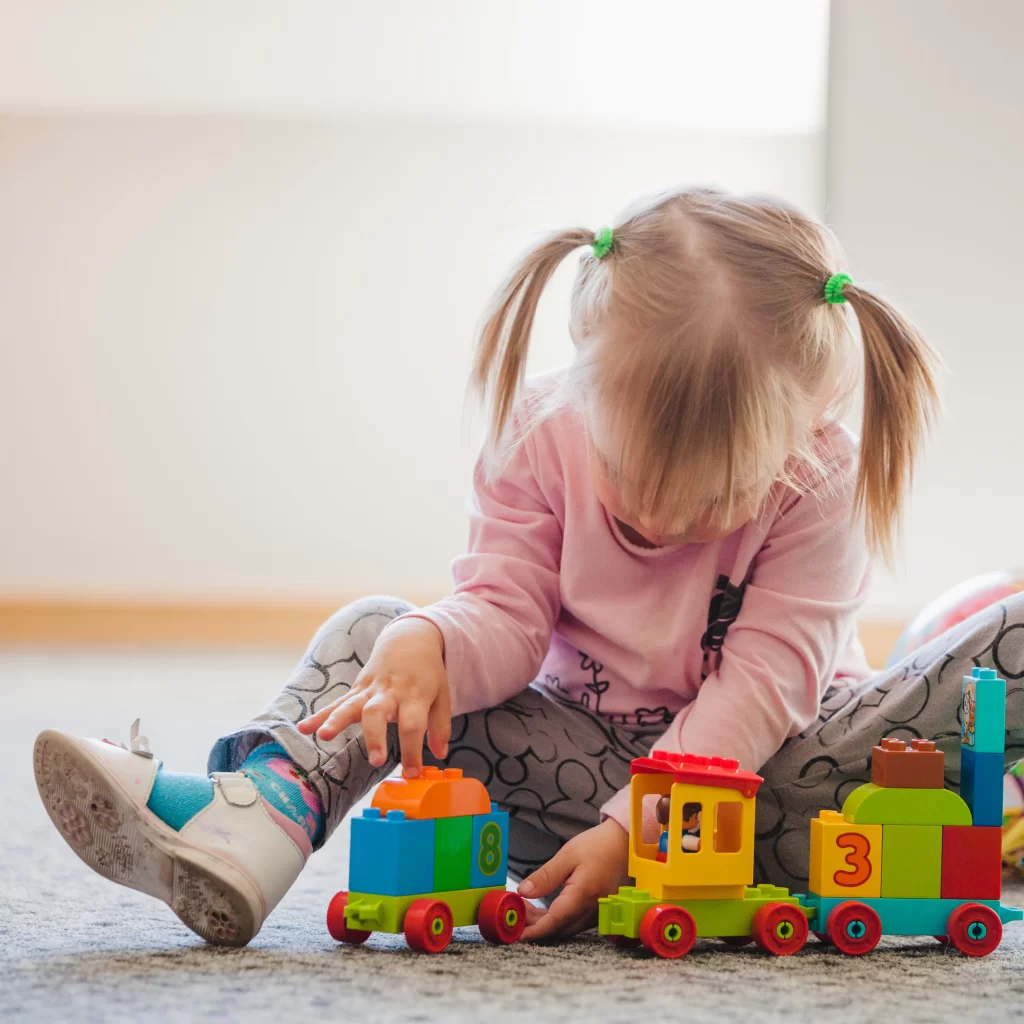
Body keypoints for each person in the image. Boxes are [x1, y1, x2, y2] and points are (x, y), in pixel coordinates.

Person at [39, 185, 1020, 950]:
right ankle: (256, 821)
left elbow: (767, 681)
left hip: (787, 783)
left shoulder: (821, 473)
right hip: (571, 783)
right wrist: (432, 641)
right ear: (584, 392)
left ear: (802, 434)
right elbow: (503, 617)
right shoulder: (541, 431)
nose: (671, 519)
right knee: (379, 631)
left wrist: (646, 828)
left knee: (994, 654)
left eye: (720, 498)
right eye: (636, 478)